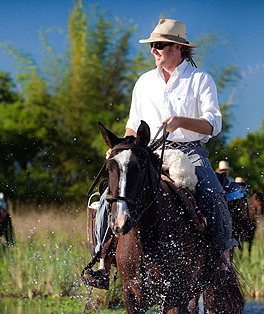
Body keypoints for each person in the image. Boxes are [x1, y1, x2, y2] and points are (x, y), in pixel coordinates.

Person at [83, 18, 233, 290]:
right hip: (146, 153)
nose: (153, 50)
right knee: (107, 196)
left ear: (178, 47)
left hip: (189, 152)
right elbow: (132, 123)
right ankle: (101, 260)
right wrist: (119, 149)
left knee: (213, 194)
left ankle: (222, 261)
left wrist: (181, 122)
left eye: (159, 45)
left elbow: (213, 124)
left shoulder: (201, 79)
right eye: (152, 45)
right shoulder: (143, 82)